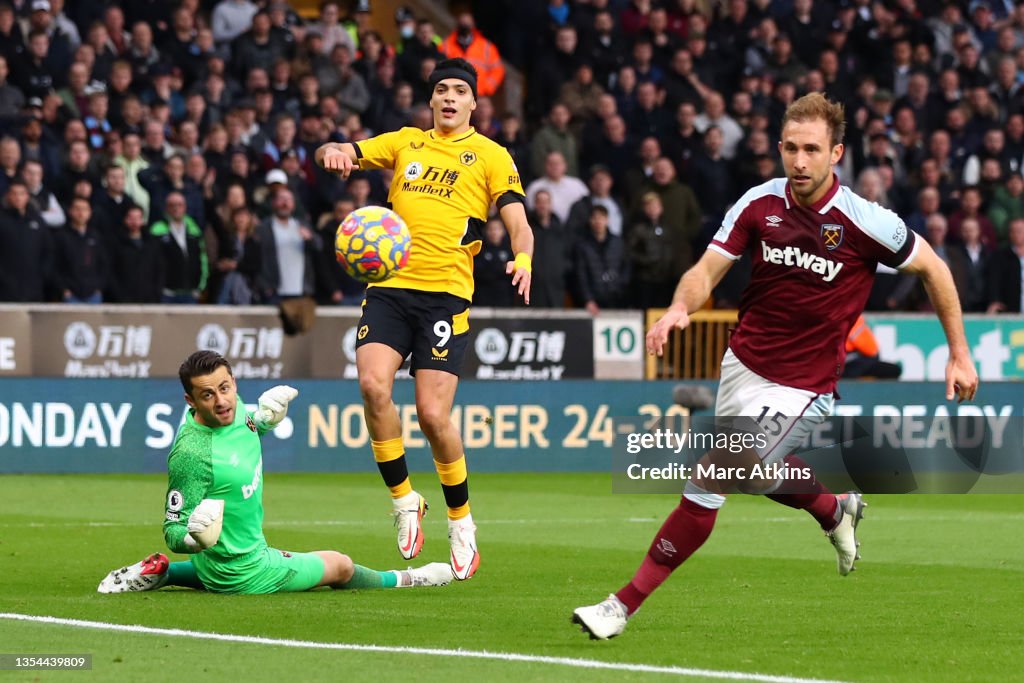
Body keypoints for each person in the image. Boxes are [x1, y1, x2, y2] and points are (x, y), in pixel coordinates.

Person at [572, 93, 979, 639]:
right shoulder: (759, 203)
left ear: (836, 152)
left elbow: (935, 269)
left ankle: (620, 606)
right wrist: (676, 308)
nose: (800, 161)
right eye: (791, 148)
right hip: (742, 365)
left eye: (812, 149)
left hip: (805, 386)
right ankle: (834, 509)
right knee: (758, 476)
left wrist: (959, 353)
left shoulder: (865, 221)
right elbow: (707, 269)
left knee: (717, 471)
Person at [315, 58, 533, 581]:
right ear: (431, 100)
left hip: (446, 298)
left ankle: (461, 521)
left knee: (433, 417)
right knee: (372, 385)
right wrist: (333, 154)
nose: (451, 98)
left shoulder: (490, 155)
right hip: (389, 289)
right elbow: (341, 148)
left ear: (474, 103)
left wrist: (523, 257)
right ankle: (405, 501)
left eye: (460, 90)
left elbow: (519, 221)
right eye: (442, 90)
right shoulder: (406, 142)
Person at [97, 350, 453, 594]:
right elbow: (173, 528)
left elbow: (243, 432)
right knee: (340, 566)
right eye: (207, 395)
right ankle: (411, 578)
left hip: (217, 561)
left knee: (220, 564)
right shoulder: (191, 454)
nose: (221, 401)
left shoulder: (237, 413)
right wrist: (192, 541)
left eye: (225, 388)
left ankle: (163, 572)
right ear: (191, 402)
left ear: (234, 381)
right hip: (243, 571)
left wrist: (264, 421)